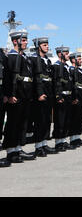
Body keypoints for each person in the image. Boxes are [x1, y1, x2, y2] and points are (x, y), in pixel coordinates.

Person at [3, 31, 38, 163]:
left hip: (25, 96)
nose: (26, 42)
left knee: (22, 124)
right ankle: (11, 152)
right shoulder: (11, 57)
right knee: (13, 124)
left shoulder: (24, 58)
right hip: (16, 96)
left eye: (26, 40)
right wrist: (10, 95)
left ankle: (18, 148)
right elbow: (8, 78)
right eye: (23, 40)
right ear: (15, 41)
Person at [31, 37, 58, 157]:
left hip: (48, 95)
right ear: (38, 46)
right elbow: (37, 78)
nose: (47, 46)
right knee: (39, 121)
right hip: (40, 95)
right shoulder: (34, 60)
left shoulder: (47, 61)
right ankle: (38, 146)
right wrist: (39, 93)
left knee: (47, 120)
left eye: (47, 44)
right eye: (44, 45)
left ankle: (44, 143)